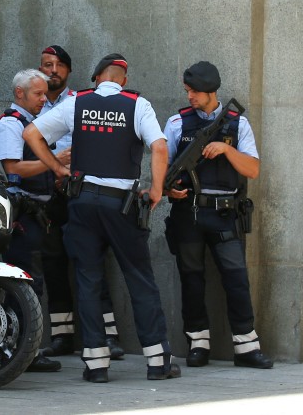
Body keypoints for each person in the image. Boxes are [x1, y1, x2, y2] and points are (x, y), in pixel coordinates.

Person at [23, 53, 180, 383]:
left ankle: (95, 365)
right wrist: (155, 189)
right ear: (123, 79)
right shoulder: (138, 105)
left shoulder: (77, 102)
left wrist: (56, 168)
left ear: (97, 78)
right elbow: (160, 147)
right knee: (139, 278)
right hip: (121, 205)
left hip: (82, 202)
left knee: (88, 279)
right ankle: (158, 361)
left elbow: (31, 135)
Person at [163, 61, 272, 369]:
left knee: (237, 279)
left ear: (211, 91)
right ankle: (197, 344)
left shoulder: (238, 124)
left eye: (195, 92)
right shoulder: (176, 123)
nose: (190, 97)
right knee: (192, 280)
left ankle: (246, 346)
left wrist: (226, 150)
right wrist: (169, 190)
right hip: (188, 213)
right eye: (187, 91)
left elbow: (252, 169)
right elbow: (163, 169)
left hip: (225, 214)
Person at [36, 46, 125, 360]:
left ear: (69, 71)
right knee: (54, 266)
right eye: (47, 65)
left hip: (78, 191)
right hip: (45, 197)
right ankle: (62, 336)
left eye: (59, 65)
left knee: (91, 265)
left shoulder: (81, 103)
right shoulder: (33, 106)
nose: (53, 70)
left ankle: (108, 336)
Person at [0, 68, 63, 372]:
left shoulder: (31, 124)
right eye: (38, 93)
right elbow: (13, 169)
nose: (43, 99)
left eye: (45, 93)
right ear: (20, 93)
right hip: (21, 216)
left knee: (33, 284)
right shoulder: (11, 124)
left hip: (37, 215)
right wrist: (54, 164)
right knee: (23, 284)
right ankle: (16, 352)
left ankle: (24, 350)